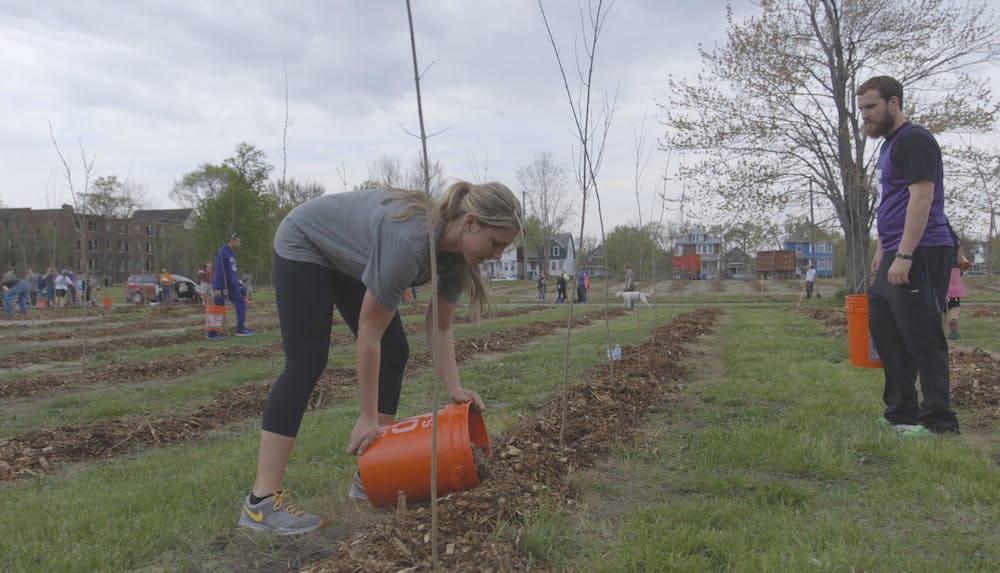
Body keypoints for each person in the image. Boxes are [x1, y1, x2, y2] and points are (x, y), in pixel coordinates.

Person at [237, 180, 522, 535]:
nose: (498, 255)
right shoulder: (409, 242)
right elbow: (369, 331)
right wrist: (368, 416)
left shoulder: (458, 259)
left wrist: (455, 389)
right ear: (470, 223)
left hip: (347, 258)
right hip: (307, 241)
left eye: (504, 247)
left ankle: (373, 470)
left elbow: (440, 326)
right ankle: (262, 502)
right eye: (496, 243)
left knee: (395, 349)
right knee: (306, 361)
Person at [857, 75, 959, 436]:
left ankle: (939, 421)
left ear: (894, 103)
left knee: (922, 335)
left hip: (922, 250)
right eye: (862, 108)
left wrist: (904, 254)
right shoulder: (888, 146)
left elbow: (921, 198)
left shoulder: (914, 139)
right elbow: (893, 203)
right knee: (887, 331)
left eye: (871, 106)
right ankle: (901, 412)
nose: (865, 115)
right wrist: (883, 248)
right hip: (896, 251)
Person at [211, 232, 253, 338]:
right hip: (223, 286)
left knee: (240, 303)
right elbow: (219, 271)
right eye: (238, 241)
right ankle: (213, 333)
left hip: (232, 286)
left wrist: (240, 285)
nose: (239, 243)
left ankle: (240, 328)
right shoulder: (222, 253)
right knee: (218, 308)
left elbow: (232, 272)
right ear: (232, 240)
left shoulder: (231, 254)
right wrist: (217, 288)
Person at [945, 223, 970, 340]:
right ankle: (953, 319)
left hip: (939, 273)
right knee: (954, 303)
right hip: (954, 273)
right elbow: (960, 261)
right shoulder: (957, 241)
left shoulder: (936, 238)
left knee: (941, 305)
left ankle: (943, 332)